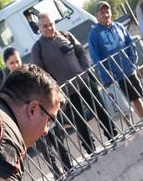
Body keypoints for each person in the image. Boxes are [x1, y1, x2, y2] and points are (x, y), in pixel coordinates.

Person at [28, 13, 116, 156]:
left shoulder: (66, 35)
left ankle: (113, 136)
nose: (49, 28)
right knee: (80, 121)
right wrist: (55, 88)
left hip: (84, 81)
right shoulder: (37, 48)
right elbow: (41, 74)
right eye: (45, 26)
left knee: (100, 109)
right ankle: (91, 151)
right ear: (39, 27)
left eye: (51, 24)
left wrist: (85, 70)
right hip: (67, 91)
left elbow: (80, 51)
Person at [0, 47, 72, 179]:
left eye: (17, 61)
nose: (16, 65)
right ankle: (57, 173)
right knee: (45, 149)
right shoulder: (7, 84)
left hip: (44, 114)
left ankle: (69, 167)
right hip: (30, 122)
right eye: (12, 63)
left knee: (58, 141)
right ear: (6, 64)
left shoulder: (30, 72)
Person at [88, 1, 143, 121]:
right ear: (97, 15)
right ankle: (132, 128)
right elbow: (95, 57)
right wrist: (105, 77)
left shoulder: (119, 26)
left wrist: (132, 60)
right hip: (114, 77)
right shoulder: (94, 34)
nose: (105, 15)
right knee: (122, 105)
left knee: (136, 97)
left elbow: (129, 43)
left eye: (107, 11)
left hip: (128, 70)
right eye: (102, 12)